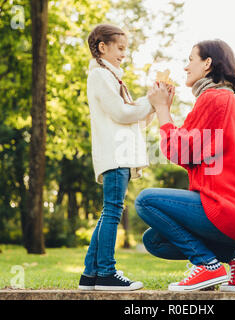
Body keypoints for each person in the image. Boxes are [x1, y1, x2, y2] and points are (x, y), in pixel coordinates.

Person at [136, 39, 235, 291]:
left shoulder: (214, 98)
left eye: (190, 59)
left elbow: (180, 151)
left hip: (228, 209)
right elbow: (192, 156)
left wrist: (162, 109)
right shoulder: (223, 101)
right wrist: (167, 112)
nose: (186, 67)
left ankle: (207, 265)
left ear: (207, 63)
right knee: (154, 240)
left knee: (145, 201)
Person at [78, 24, 155, 291]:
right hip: (114, 154)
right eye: (120, 48)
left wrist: (153, 104)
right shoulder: (100, 76)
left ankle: (90, 274)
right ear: (103, 47)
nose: (124, 54)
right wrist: (149, 101)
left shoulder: (111, 78)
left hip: (119, 153)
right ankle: (107, 273)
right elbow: (121, 114)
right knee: (112, 210)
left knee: (109, 211)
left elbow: (134, 120)